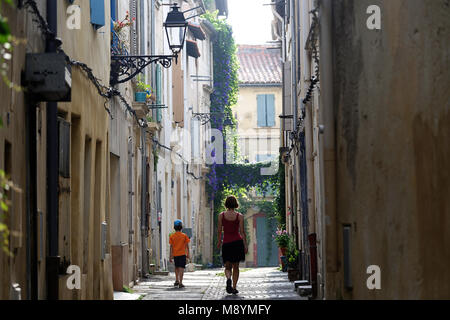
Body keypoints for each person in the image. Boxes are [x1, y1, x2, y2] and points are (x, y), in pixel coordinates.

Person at [217, 195, 248, 295]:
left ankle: (228, 279)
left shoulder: (221, 215)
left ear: (226, 204)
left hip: (226, 243)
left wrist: (218, 241)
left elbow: (219, 231)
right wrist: (245, 245)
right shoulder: (240, 216)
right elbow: (242, 232)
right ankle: (234, 287)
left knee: (227, 266)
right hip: (237, 243)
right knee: (236, 267)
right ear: (235, 204)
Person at [169, 219, 190, 288]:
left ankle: (176, 279)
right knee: (181, 268)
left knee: (176, 267)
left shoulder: (172, 236)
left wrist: (170, 256)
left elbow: (171, 247)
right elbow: (187, 246)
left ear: (174, 228)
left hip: (175, 254)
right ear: (181, 227)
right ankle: (180, 282)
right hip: (182, 254)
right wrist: (188, 254)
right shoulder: (184, 236)